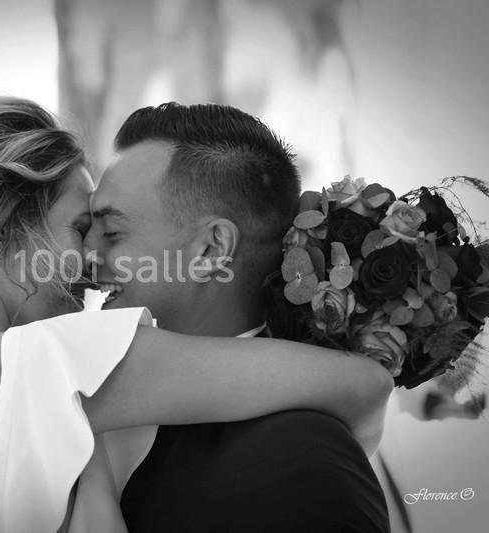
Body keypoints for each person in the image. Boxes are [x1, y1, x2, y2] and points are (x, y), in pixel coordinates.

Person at [0, 96, 392, 532]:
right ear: (6, 233)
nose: (90, 261)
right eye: (81, 227)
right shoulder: (40, 364)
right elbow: (363, 382)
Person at [84, 102, 390, 531]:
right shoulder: (101, 390)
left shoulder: (303, 462)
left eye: (112, 233)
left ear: (211, 250)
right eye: (86, 231)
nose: (85, 256)